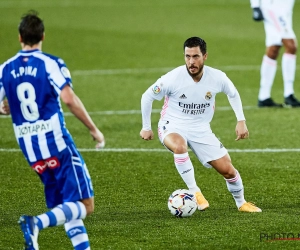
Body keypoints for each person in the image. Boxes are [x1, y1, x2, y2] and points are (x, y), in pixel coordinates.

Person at [0, 10, 105, 250]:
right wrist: (93, 129)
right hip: (56, 143)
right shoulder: (50, 63)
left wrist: (5, 110)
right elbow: (68, 98)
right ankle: (35, 223)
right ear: (42, 36)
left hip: (30, 150)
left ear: (19, 37)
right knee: (86, 205)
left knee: (67, 205)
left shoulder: (4, 69)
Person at [140, 37, 261, 213]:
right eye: (187, 56)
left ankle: (241, 203)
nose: (191, 62)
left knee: (228, 170)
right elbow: (147, 96)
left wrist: (241, 120)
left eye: (195, 56)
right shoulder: (173, 77)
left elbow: (233, 94)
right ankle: (194, 191)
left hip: (201, 129)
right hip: (172, 124)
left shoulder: (217, 77)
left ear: (205, 56)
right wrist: (146, 127)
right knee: (180, 146)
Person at [250, 0, 300, 107]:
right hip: (273, 7)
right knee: (291, 46)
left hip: (285, 8)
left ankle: (264, 96)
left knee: (273, 49)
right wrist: (255, 6)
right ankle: (289, 93)